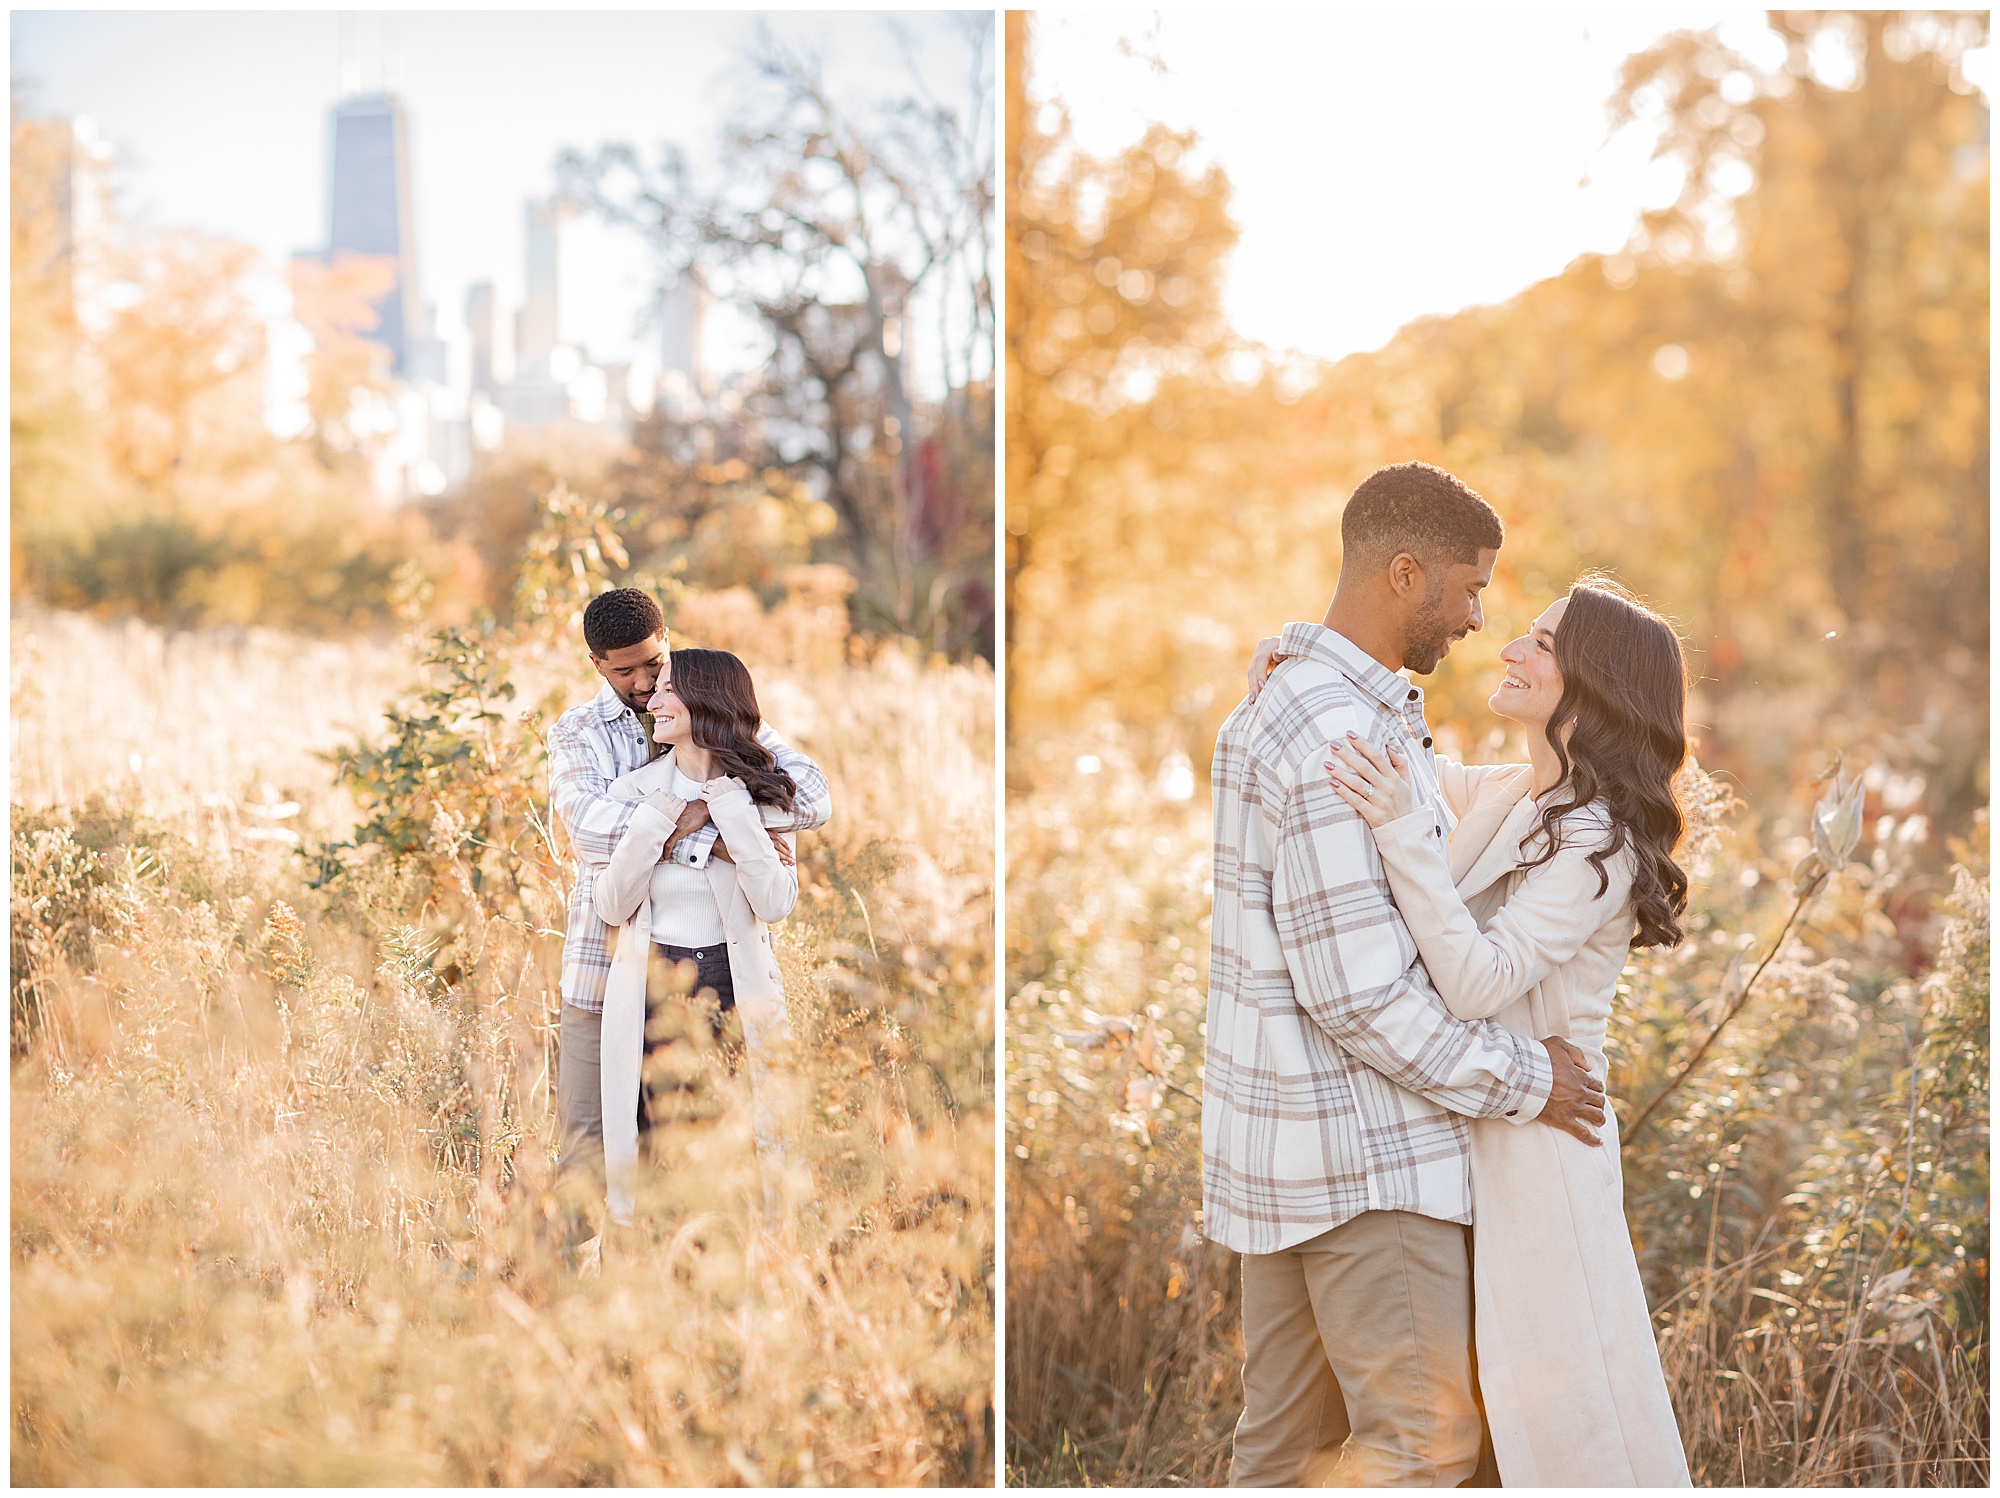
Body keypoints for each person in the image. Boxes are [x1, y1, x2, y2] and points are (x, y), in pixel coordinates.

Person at [1203, 460, 1607, 1488]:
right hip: (1367, 1162)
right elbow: (1358, 994)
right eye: (1468, 587)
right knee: (1423, 1452)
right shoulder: (1337, 728)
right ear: (1401, 572)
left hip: (1279, 1164)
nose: (1478, 616)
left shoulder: (1310, 709)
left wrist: (1289, 649)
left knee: (1282, 1457)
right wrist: (1530, 1078)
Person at [1320, 577, 1693, 1486]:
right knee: (1476, 1418)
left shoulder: (1595, 845)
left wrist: (1407, 837)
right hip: (1482, 1128)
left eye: (1542, 643)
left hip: (1545, 1157)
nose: (1511, 651)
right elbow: (1407, 766)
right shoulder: (1525, 797)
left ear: (1595, 684)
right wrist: (1300, 663)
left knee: (1564, 1424)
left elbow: (1480, 982)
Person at [546, 588, 830, 1218]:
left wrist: (703, 821)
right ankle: (571, 1300)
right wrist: (716, 833)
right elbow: (594, 831)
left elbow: (808, 797)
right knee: (593, 1153)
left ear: (666, 637)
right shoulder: (580, 732)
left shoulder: (705, 697)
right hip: (606, 972)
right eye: (627, 671)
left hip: (719, 969)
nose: (648, 684)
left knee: (714, 1143)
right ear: (598, 665)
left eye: (655, 662)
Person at [590, 647, 802, 1226]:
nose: (651, 700)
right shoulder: (635, 792)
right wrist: (664, 821)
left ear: (706, 700)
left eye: (666, 690)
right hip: (656, 989)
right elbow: (612, 903)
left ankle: (731, 1272)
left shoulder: (759, 794)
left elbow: (776, 902)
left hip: (733, 991)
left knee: (734, 1136)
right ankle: (661, 1278)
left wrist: (726, 811)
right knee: (658, 1140)